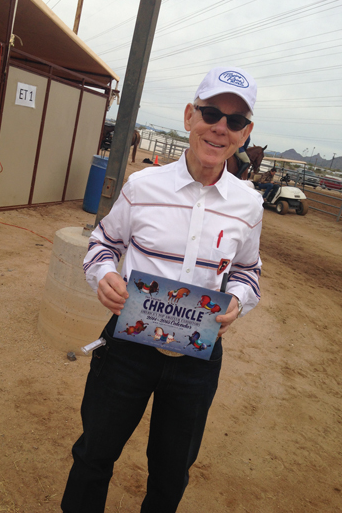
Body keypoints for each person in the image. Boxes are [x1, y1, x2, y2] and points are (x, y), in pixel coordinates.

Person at [61, 66, 264, 513]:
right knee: (94, 455)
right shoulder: (142, 186)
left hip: (197, 360)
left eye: (234, 120)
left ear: (245, 134)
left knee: (171, 475)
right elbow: (104, 242)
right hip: (127, 350)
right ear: (190, 115)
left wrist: (237, 301)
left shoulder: (249, 205)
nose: (220, 127)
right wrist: (104, 275)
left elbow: (248, 272)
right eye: (211, 113)